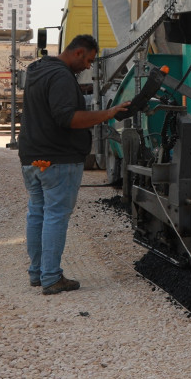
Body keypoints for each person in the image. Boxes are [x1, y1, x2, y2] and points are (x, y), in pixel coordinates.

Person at [19, 35, 129, 295]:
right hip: (59, 158)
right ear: (78, 52)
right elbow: (67, 118)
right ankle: (51, 277)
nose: (88, 66)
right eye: (88, 60)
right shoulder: (61, 76)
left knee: (37, 213)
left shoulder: (37, 69)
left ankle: (37, 272)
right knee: (55, 215)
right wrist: (108, 114)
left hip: (32, 157)